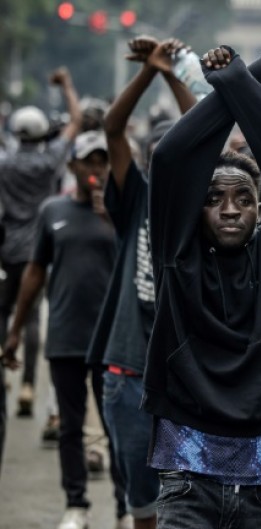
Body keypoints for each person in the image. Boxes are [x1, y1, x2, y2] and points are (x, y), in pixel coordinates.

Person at [143, 45, 261, 529]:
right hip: (186, 475)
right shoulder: (176, 259)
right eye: (214, 198)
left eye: (244, 198)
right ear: (195, 209)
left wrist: (245, 80)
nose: (231, 208)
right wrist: (241, 78)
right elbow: (172, 156)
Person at [88, 35, 196, 529]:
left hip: (189, 379)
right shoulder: (136, 200)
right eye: (159, 153)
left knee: (188, 496)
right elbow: (112, 129)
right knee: (142, 503)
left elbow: (205, 132)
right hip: (129, 374)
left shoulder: (206, 206)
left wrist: (175, 76)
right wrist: (150, 71)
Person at [2, 129, 127, 529]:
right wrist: (16, 330)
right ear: (72, 165)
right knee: (70, 428)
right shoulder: (52, 211)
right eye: (89, 161)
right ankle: (77, 505)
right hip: (66, 337)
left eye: (103, 161)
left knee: (118, 427)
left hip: (111, 340)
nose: (97, 169)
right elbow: (35, 273)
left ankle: (128, 509)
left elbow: (138, 264)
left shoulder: (124, 209)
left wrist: (111, 217)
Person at [0, 67, 81, 422]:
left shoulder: (4, 164)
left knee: (4, 313)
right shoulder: (50, 161)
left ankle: (4, 374)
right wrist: (66, 86)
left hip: (8, 249)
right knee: (32, 317)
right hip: (42, 248)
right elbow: (76, 123)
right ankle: (30, 384)